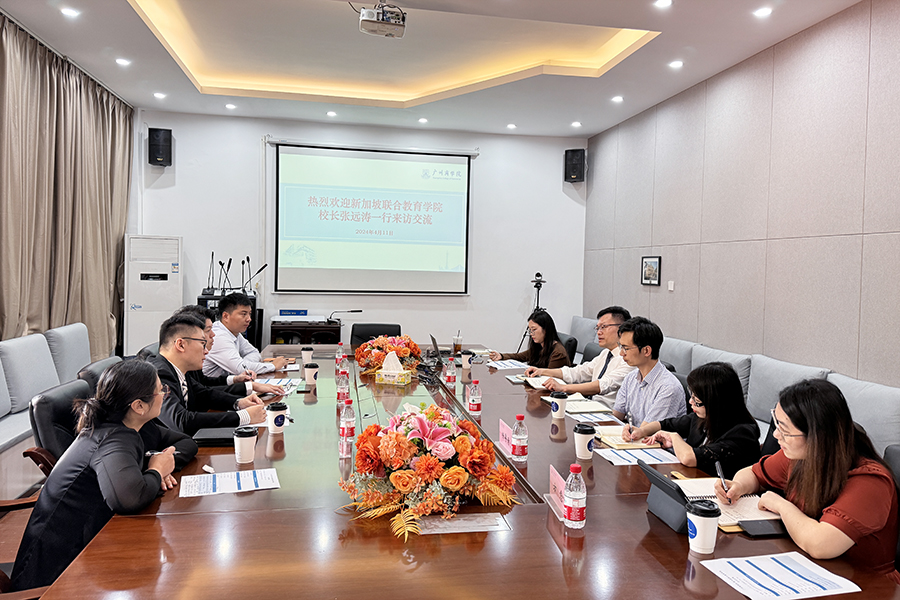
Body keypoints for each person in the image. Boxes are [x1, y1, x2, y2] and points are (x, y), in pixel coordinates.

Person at [10, 360, 198, 591]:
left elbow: (187, 443)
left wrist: (156, 465)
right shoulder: (112, 439)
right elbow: (129, 499)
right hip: (56, 575)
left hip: (92, 549)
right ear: (139, 405)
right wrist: (157, 471)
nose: (164, 395)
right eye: (160, 390)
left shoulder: (130, 424)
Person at [715, 379, 899, 580]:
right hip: (808, 568)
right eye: (777, 423)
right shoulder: (802, 456)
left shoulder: (870, 483)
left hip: (866, 584)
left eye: (785, 430)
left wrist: (781, 505)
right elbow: (753, 473)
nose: (776, 435)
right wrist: (738, 486)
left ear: (817, 437)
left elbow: (820, 544)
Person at [625, 362, 760, 477]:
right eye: (692, 395)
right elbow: (665, 424)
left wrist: (674, 438)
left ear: (716, 401)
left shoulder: (742, 434)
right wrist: (642, 431)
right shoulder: (703, 417)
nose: (691, 402)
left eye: (697, 399)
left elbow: (689, 458)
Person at [150, 313, 266, 435]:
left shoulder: (177, 369)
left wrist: (239, 403)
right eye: (202, 343)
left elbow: (204, 394)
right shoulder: (158, 375)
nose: (206, 351)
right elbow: (181, 421)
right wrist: (243, 417)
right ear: (181, 345)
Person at [525, 306, 634, 404]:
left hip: (607, 412)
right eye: (597, 328)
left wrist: (563, 388)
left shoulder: (629, 359)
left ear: (621, 328)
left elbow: (603, 385)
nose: (599, 332)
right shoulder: (606, 353)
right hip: (590, 405)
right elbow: (579, 372)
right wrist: (541, 371)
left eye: (603, 327)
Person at [173, 305, 285, 398]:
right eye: (243, 314)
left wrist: (236, 380)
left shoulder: (188, 364)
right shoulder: (167, 375)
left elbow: (203, 385)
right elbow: (199, 398)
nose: (213, 334)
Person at [613, 317, 685, 426]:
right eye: (621, 347)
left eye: (626, 348)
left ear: (646, 351)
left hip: (649, 436)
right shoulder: (630, 378)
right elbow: (616, 417)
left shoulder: (668, 387)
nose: (621, 353)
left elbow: (645, 431)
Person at [203, 292, 290, 377]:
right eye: (244, 314)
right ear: (226, 316)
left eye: (249, 314)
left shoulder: (234, 332)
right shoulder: (218, 336)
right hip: (211, 385)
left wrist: (244, 364)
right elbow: (240, 369)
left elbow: (254, 352)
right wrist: (273, 366)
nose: (249, 319)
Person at [488, 309, 570, 369]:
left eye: (534, 329)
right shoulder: (539, 346)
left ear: (546, 329)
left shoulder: (558, 353)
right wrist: (501, 356)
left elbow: (549, 377)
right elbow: (519, 357)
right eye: (530, 330)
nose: (531, 334)